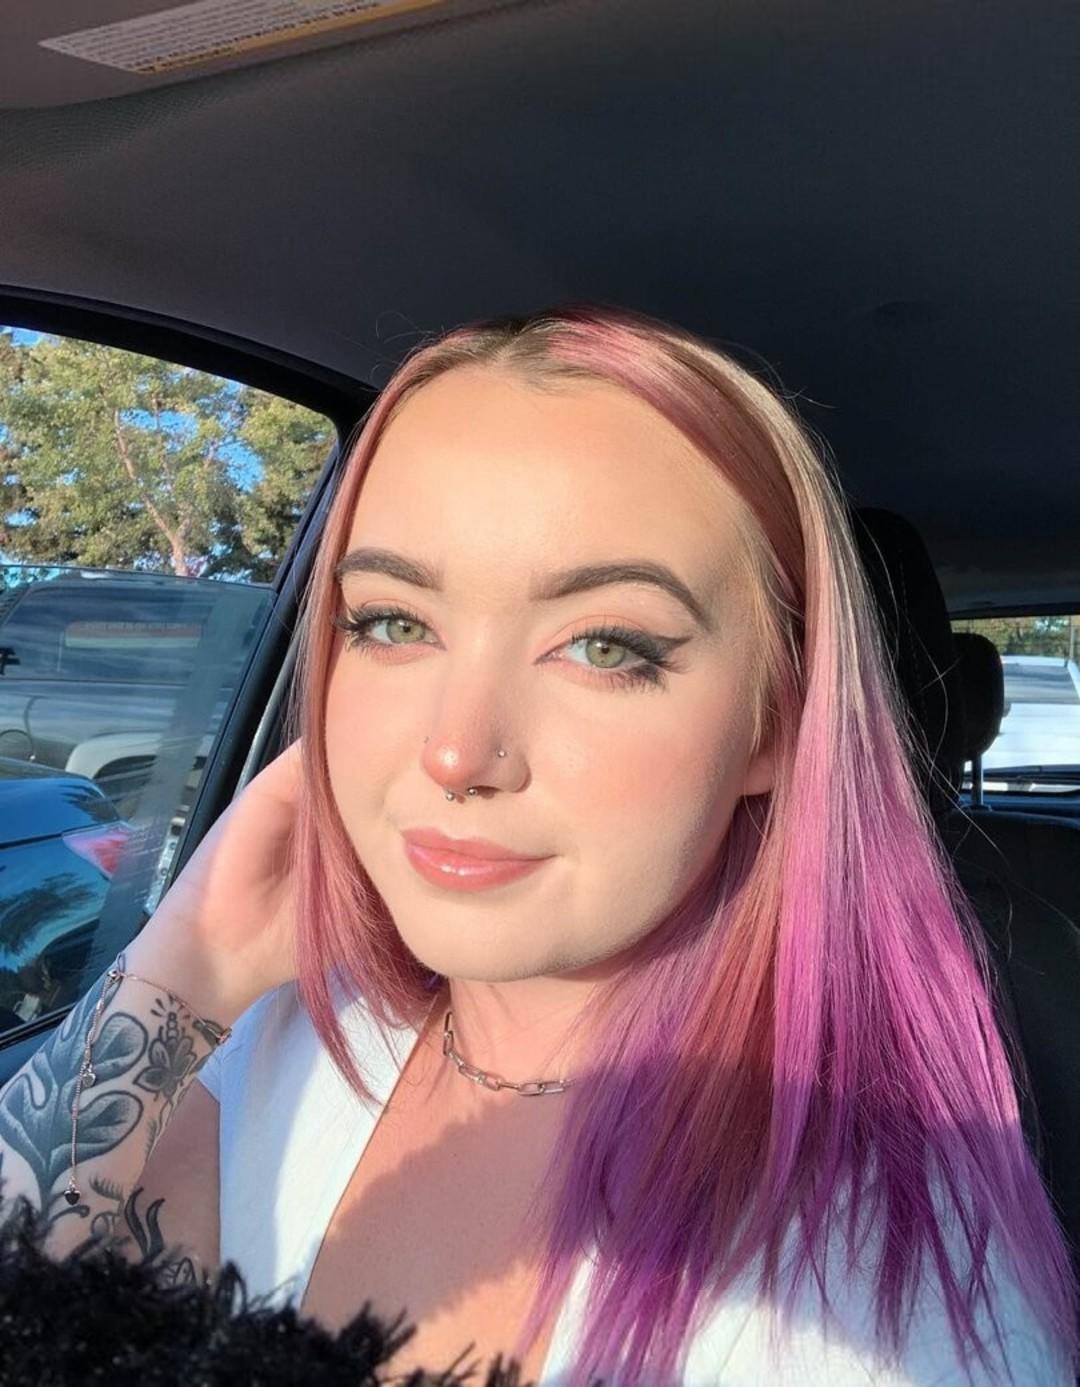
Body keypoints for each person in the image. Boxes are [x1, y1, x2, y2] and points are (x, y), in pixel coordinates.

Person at [0, 305, 1076, 1387]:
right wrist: (185, 965)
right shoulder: (295, 1032)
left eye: (603, 645)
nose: (456, 751)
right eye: (392, 623)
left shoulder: (868, 1310)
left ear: (775, 721)